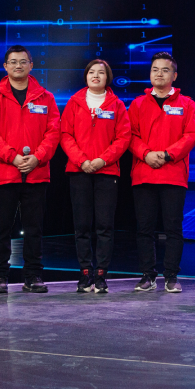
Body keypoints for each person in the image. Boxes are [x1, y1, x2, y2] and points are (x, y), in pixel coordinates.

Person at [0, 45, 60, 294]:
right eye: (13, 62)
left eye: (23, 61)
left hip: (37, 172)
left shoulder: (46, 97)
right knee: (1, 227)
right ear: (5, 66)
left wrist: (38, 157)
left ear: (31, 65)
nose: (18, 65)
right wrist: (12, 157)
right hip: (5, 172)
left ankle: (33, 275)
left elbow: (53, 132)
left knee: (34, 228)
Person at [127, 51, 195, 294]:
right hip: (144, 172)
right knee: (144, 228)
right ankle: (147, 275)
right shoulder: (138, 104)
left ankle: (171, 276)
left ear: (174, 75)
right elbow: (130, 135)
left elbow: (191, 135)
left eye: (165, 70)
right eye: (155, 69)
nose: (159, 73)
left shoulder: (186, 103)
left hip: (173, 173)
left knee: (173, 228)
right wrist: (146, 153)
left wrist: (168, 154)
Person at [60, 59, 131, 294]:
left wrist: (102, 160)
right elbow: (65, 135)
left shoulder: (117, 105)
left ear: (108, 77)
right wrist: (81, 160)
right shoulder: (74, 102)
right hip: (78, 171)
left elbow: (123, 137)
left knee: (104, 226)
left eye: (101, 72)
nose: (96, 76)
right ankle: (84, 273)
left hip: (106, 171)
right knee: (81, 225)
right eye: (91, 72)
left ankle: (101, 275)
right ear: (86, 76)